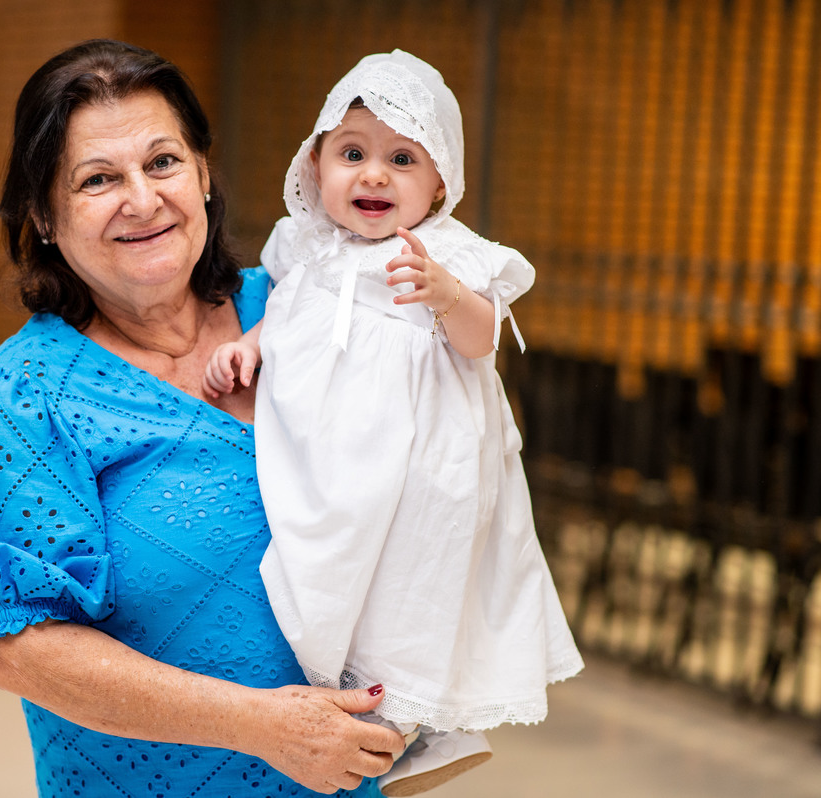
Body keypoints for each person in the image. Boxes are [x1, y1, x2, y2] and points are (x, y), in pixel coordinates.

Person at [0, 39, 406, 797]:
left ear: (204, 176)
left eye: (162, 163)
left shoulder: (306, 307)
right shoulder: (23, 397)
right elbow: (26, 647)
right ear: (44, 218)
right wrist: (262, 726)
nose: (143, 201)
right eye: (97, 179)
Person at [203, 50, 584, 796]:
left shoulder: (445, 252)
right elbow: (288, 319)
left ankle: (412, 725)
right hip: (331, 458)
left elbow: (482, 344)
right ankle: (372, 706)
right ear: (316, 167)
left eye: (401, 158)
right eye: (352, 154)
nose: (373, 175)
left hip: (421, 466)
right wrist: (247, 348)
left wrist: (447, 296)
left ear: (440, 181)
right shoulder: (304, 249)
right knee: (335, 571)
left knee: (413, 581)